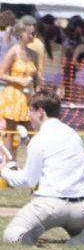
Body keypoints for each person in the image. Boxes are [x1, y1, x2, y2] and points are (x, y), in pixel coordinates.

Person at [1, 90, 84, 246]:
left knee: (10, 233)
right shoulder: (74, 134)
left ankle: (25, 236)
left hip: (50, 205)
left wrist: (4, 171)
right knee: (83, 225)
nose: (29, 117)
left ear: (41, 112)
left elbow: (28, 180)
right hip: (82, 207)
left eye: (31, 112)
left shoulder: (39, 139)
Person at [0, 22, 41, 163]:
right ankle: (8, 166)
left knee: (33, 133)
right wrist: (17, 80)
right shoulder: (13, 51)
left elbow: (35, 77)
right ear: (21, 35)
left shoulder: (33, 54)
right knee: (10, 134)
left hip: (28, 98)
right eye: (30, 33)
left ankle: (34, 165)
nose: (33, 36)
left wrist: (38, 91)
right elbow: (1, 74)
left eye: (34, 33)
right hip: (12, 97)